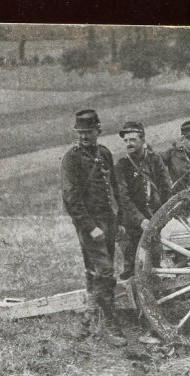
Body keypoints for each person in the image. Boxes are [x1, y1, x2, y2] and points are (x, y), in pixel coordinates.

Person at [61, 109, 127, 347]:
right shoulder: (72, 159)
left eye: (89, 132)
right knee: (106, 271)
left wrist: (117, 222)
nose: (84, 137)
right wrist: (90, 227)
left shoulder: (105, 154)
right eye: (81, 133)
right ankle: (111, 325)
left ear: (98, 131)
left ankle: (88, 319)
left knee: (95, 271)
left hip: (108, 221)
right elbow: (71, 198)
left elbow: (114, 189)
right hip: (90, 224)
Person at [114, 121, 173, 280]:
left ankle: (157, 288)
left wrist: (164, 214)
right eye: (126, 141)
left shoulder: (155, 160)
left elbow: (166, 187)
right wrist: (140, 220)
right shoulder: (121, 165)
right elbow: (123, 198)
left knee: (155, 258)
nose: (128, 144)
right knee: (133, 265)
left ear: (142, 140)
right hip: (131, 223)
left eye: (132, 140)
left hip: (155, 216)